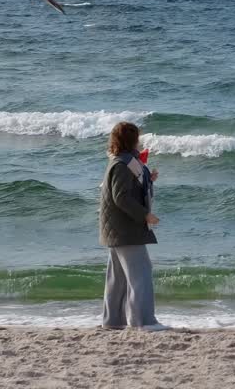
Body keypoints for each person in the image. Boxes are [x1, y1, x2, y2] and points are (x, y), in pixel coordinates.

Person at [99, 121, 167, 331]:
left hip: (116, 229)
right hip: (125, 229)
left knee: (118, 278)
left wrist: (149, 180)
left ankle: (113, 322)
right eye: (137, 137)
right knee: (141, 272)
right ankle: (144, 322)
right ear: (132, 140)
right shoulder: (121, 165)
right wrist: (145, 215)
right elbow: (121, 197)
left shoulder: (120, 161)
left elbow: (127, 188)